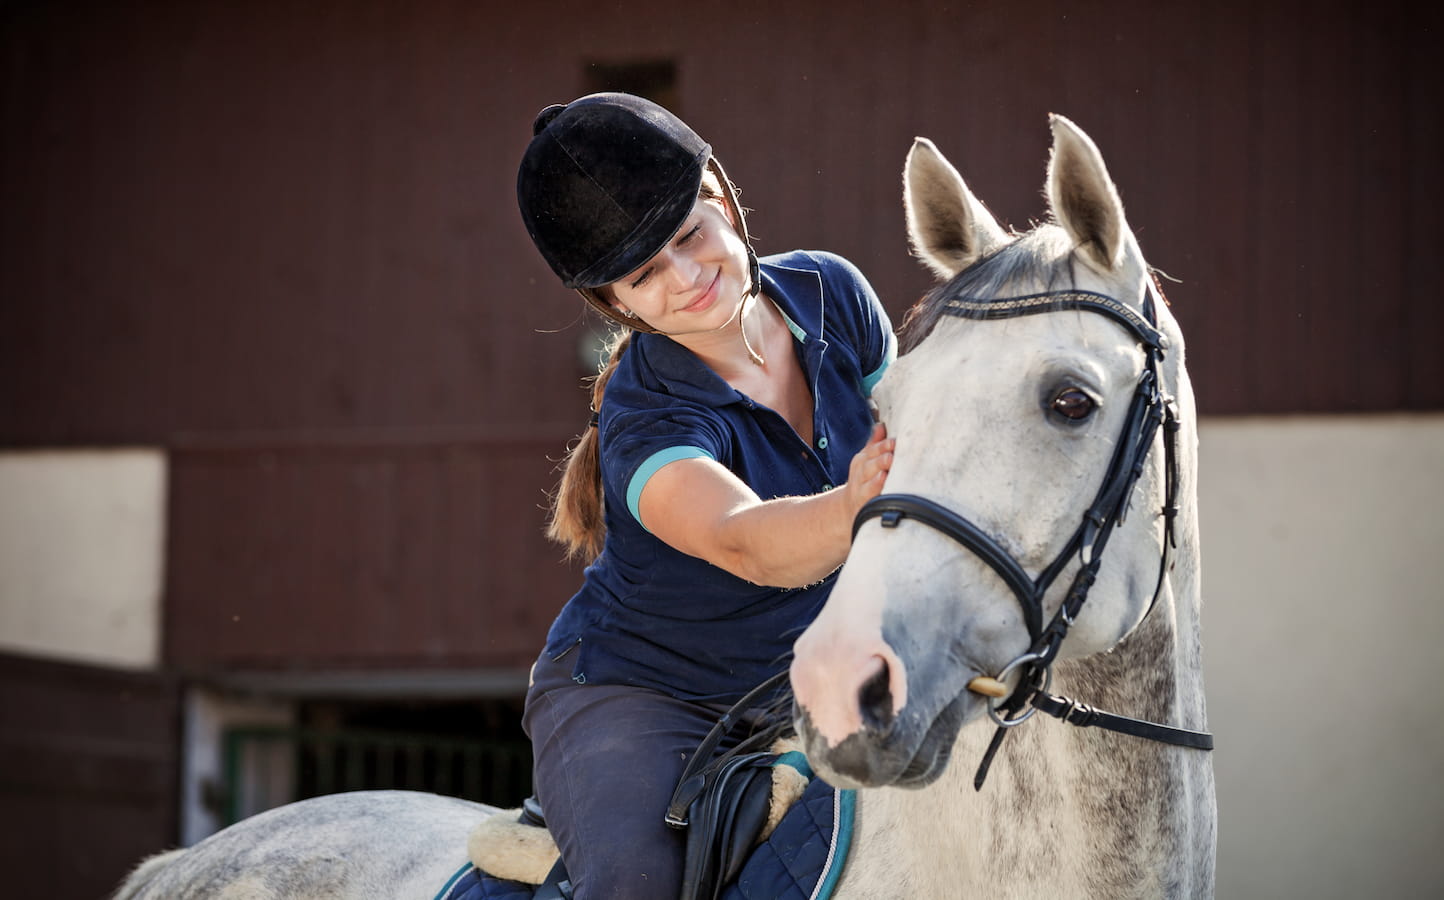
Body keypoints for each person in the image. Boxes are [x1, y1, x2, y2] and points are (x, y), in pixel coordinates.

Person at [515, 92, 896, 900]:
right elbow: (742, 539)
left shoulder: (836, 294)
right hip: (644, 696)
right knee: (636, 883)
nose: (686, 279)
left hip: (808, 677)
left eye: (690, 235)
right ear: (614, 302)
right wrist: (858, 501)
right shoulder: (644, 415)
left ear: (720, 197)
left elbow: (925, 435)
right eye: (644, 275)